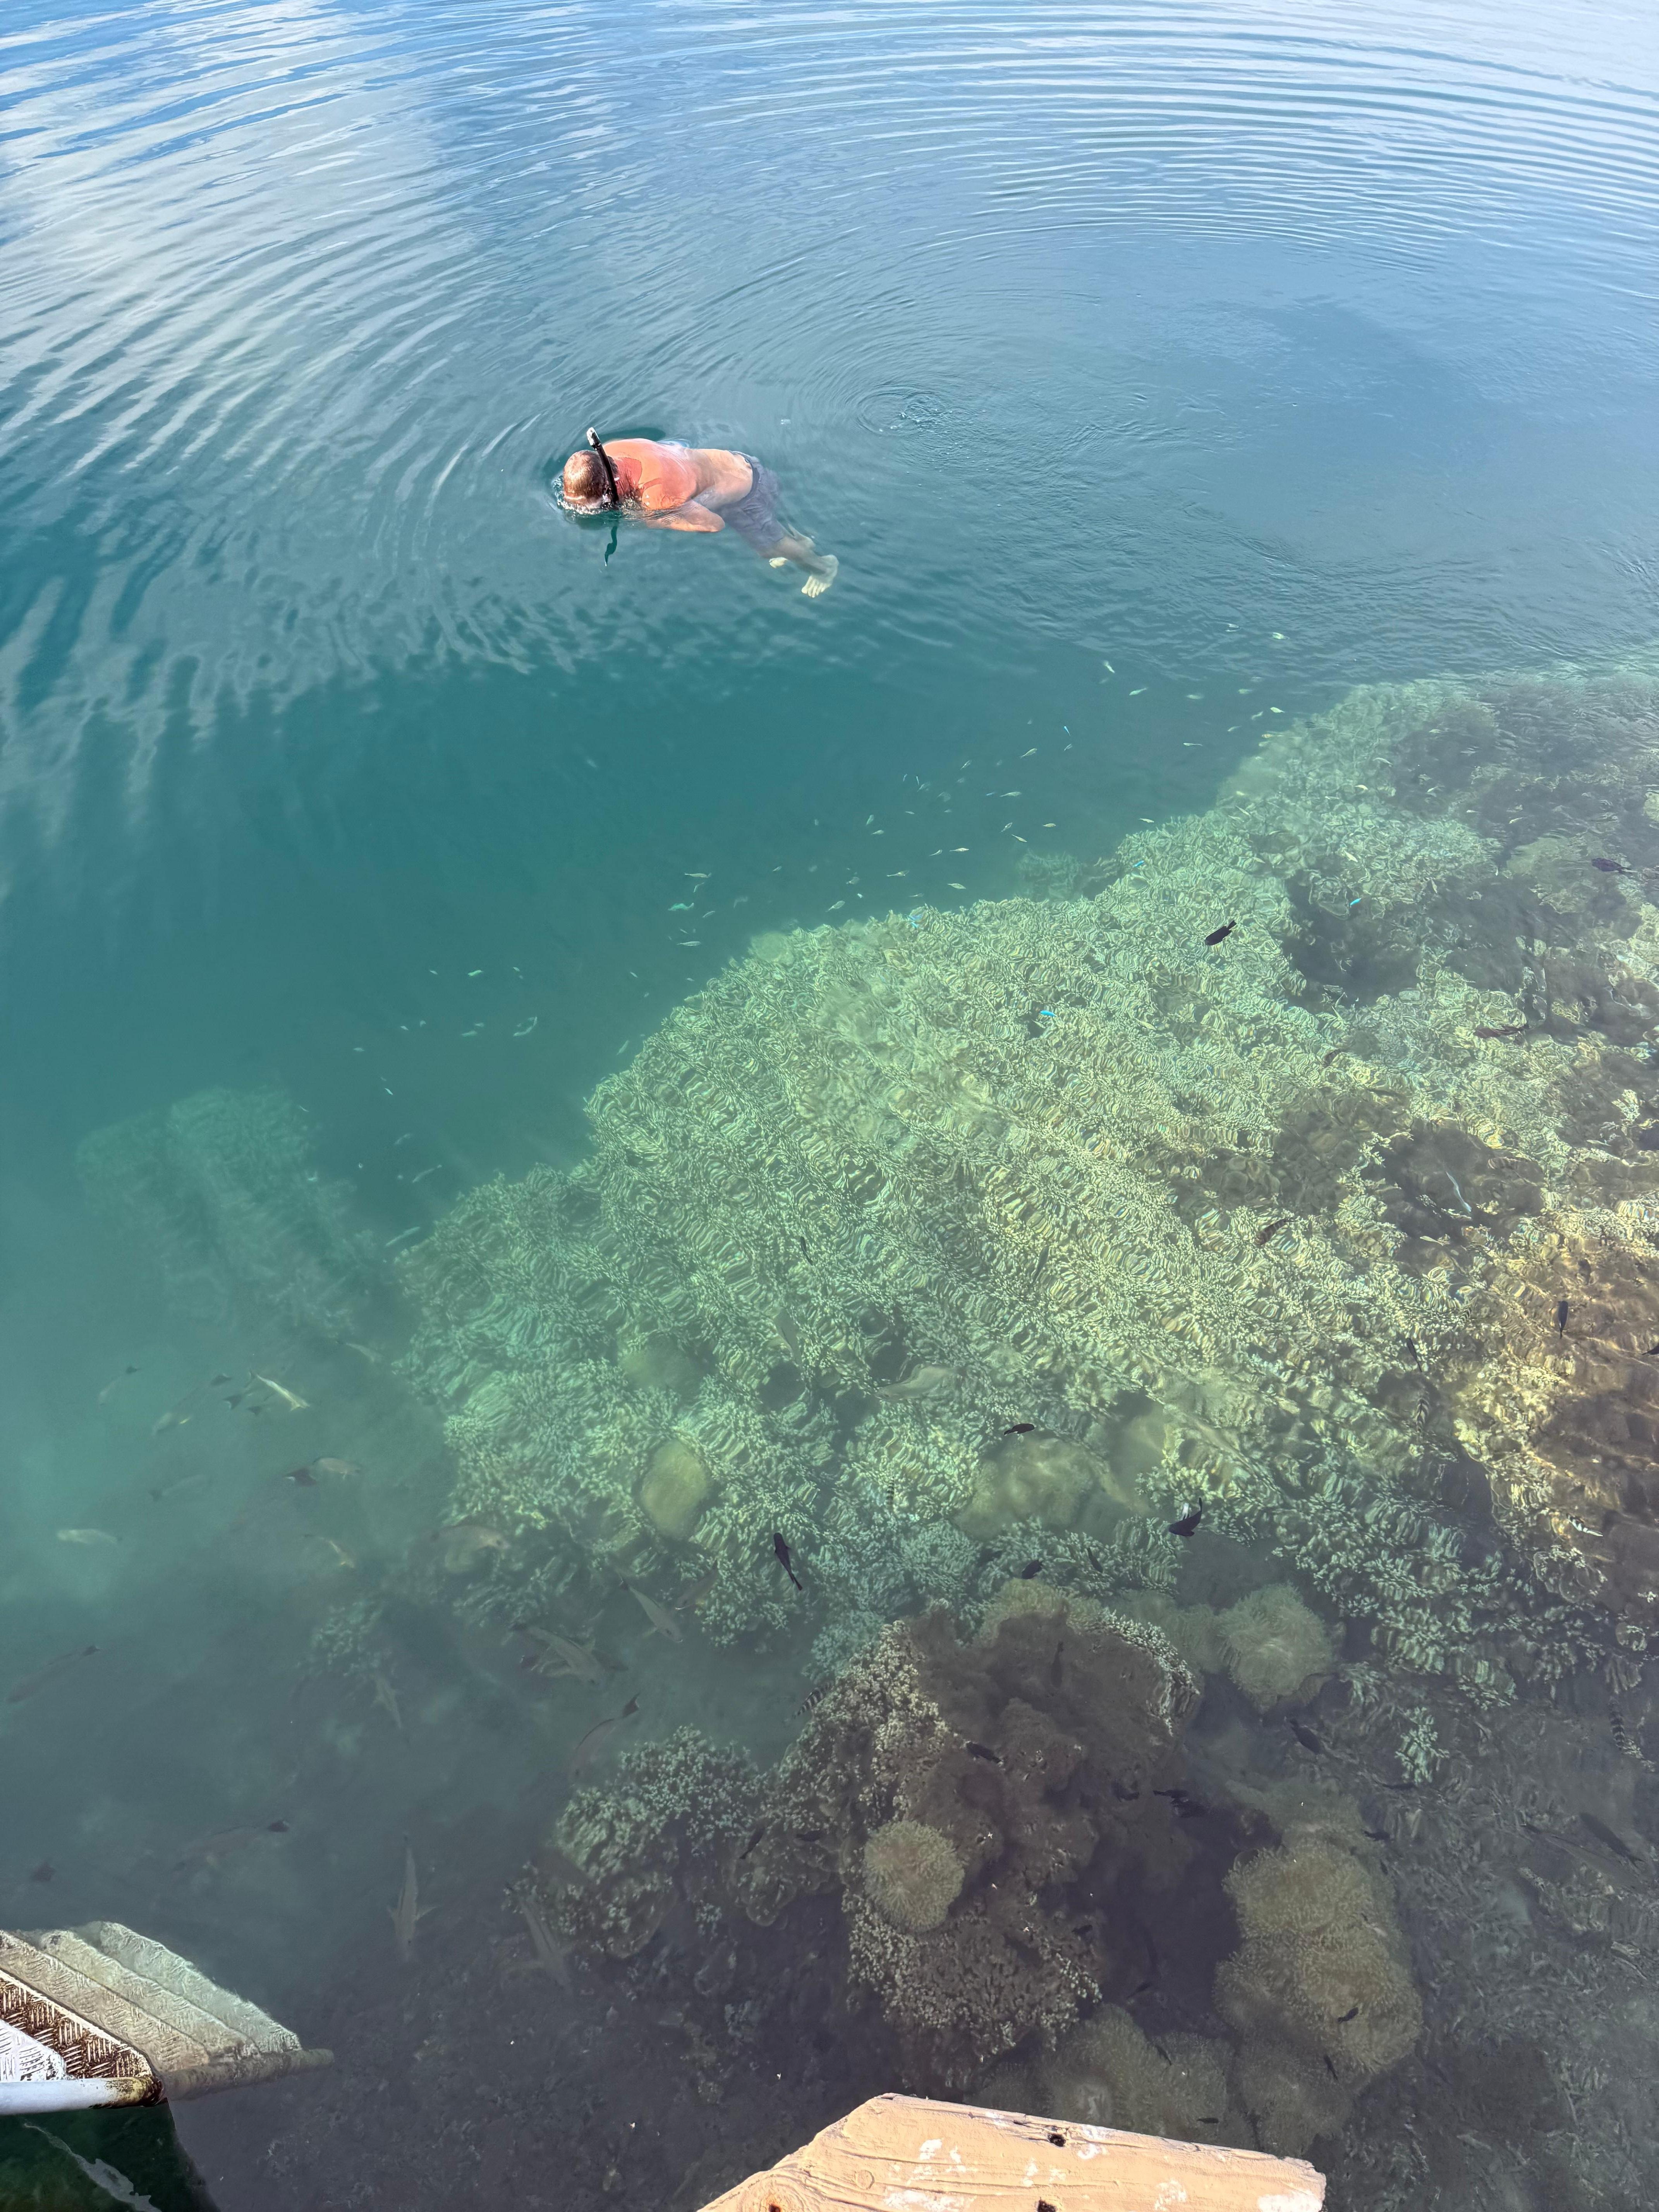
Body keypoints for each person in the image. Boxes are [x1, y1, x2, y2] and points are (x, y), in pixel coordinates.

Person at [562, 436, 838, 597]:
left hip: (749, 494)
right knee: (767, 537)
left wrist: (653, 520)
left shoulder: (657, 498)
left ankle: (823, 566)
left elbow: (714, 524)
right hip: (738, 462)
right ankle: (798, 544)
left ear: (610, 487)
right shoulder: (615, 449)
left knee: (769, 548)